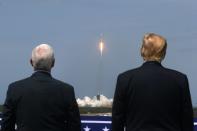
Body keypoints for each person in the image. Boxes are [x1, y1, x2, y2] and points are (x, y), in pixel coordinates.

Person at [112, 33, 194, 131]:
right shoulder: (180, 80)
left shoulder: (124, 79)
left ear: (143, 50)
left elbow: (117, 121)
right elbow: (187, 122)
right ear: (163, 52)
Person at [1, 44, 81, 131]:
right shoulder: (67, 91)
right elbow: (75, 127)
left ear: (31, 62)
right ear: (53, 63)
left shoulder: (14, 89)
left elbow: (6, 126)